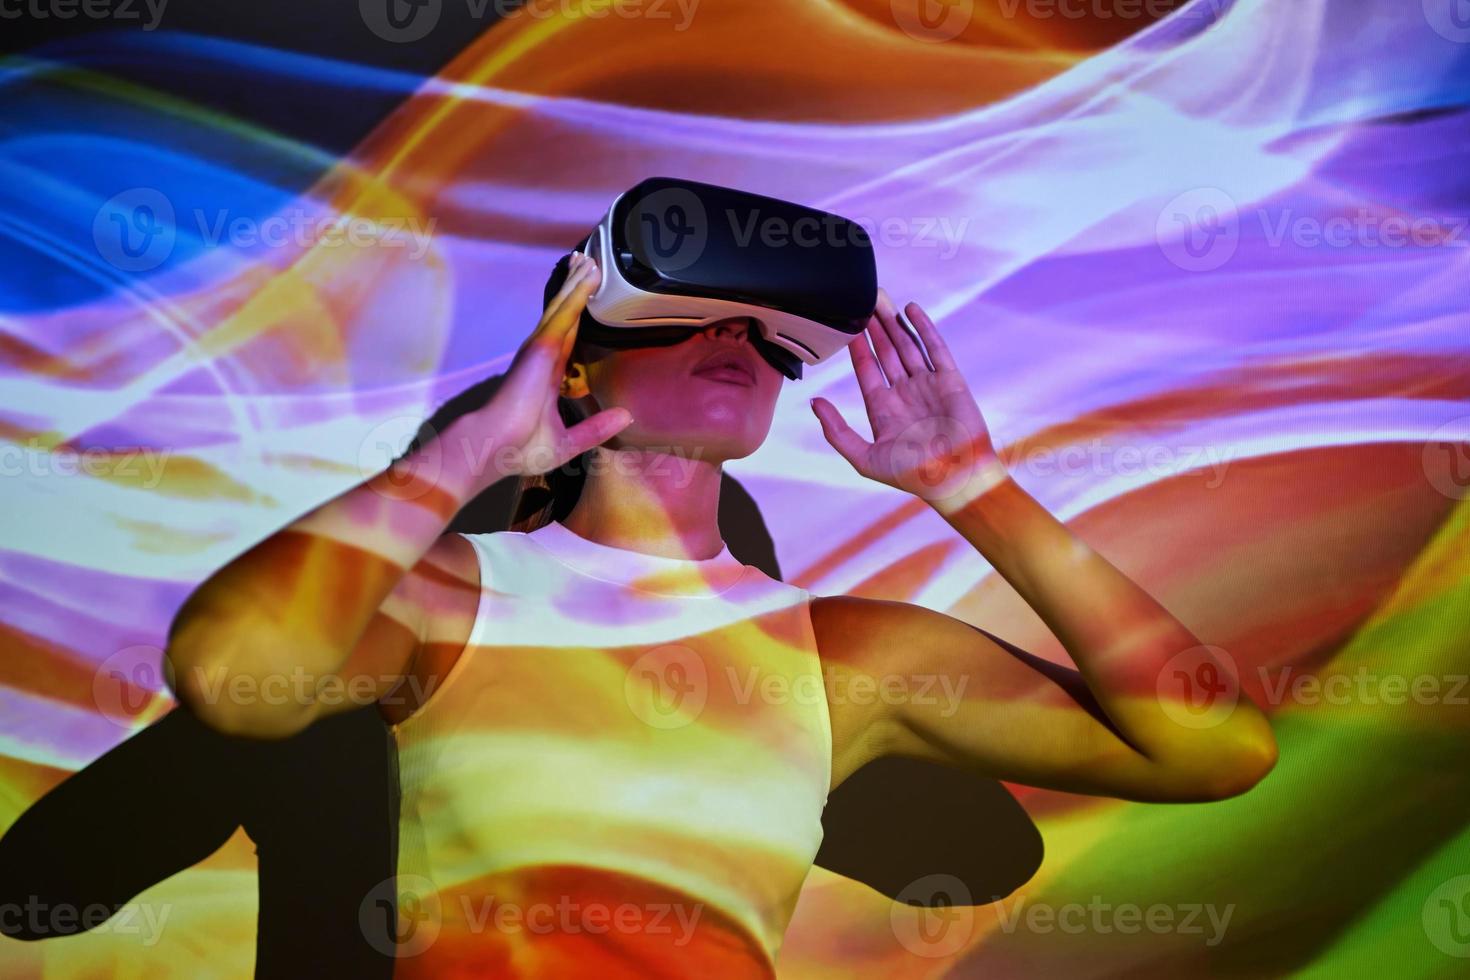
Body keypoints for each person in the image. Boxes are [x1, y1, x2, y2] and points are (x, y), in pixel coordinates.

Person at [163, 249, 1277, 976]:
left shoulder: (843, 652)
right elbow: (228, 672)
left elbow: (1215, 743)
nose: (735, 338)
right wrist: (472, 454)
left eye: (761, 328)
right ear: (577, 364)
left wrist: (969, 483)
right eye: (688, 312)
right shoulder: (458, 589)